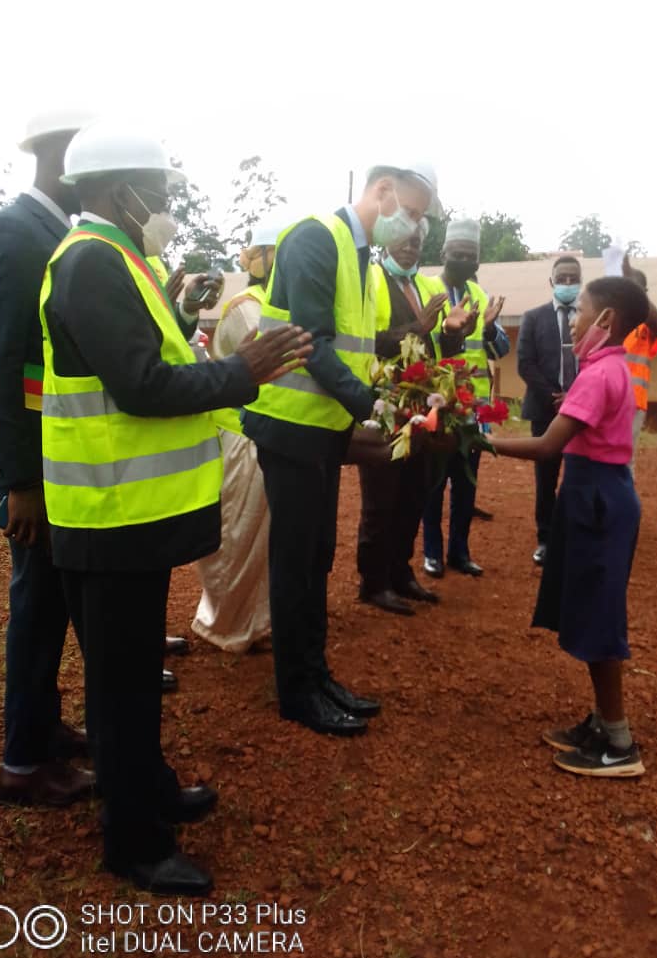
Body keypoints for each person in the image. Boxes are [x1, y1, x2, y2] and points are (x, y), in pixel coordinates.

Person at [39, 121, 311, 894]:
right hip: (109, 511)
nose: (165, 206)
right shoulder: (91, 261)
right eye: (156, 192)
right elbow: (142, 385)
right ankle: (133, 841)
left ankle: (148, 786)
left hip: (132, 508)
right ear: (113, 190)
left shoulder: (122, 259)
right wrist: (242, 372)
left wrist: (205, 345)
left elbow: (151, 360)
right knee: (121, 683)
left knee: (131, 673)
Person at [244, 164, 438, 736]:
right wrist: (373, 405)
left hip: (323, 430)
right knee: (297, 561)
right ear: (382, 191)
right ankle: (296, 690)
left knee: (317, 556)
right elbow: (311, 343)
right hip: (291, 428)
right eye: (412, 211)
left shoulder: (360, 257)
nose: (414, 226)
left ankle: (316, 674)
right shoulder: (315, 238)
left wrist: (382, 397)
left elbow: (354, 348)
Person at [0, 108, 97, 809]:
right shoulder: (15, 232)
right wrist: (19, 481)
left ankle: (43, 729)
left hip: (60, 460)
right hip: (37, 472)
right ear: (60, 158)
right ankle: (22, 763)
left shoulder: (56, 232)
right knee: (38, 607)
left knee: (50, 605)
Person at [489, 276, 649, 777]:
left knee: (600, 619)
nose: (573, 319)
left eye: (580, 310)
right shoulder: (605, 367)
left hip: (597, 499)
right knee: (590, 610)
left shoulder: (600, 375)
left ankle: (618, 743)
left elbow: (546, 447)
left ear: (606, 320)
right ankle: (602, 722)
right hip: (593, 494)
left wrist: (481, 443)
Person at [356, 226, 463, 615]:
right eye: (403, 238)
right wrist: (416, 327)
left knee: (414, 493)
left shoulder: (426, 286)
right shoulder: (369, 280)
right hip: (384, 405)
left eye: (417, 240)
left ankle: (400, 572)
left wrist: (453, 334)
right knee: (381, 496)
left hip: (421, 404)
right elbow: (365, 340)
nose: (410, 246)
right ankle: (374, 582)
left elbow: (433, 346)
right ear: (387, 239)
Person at [191, 217, 283, 651]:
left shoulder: (276, 302)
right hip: (241, 434)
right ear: (259, 258)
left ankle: (253, 622)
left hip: (264, 432)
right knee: (238, 532)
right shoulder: (248, 306)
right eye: (278, 255)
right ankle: (224, 624)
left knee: (260, 535)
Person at [421, 217, 508, 579]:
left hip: (473, 410)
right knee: (433, 483)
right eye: (457, 253)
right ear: (443, 252)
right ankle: (432, 553)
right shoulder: (426, 288)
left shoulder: (481, 295)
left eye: (470, 255)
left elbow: (501, 348)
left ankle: (460, 551)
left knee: (466, 484)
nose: (463, 260)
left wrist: (488, 330)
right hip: (437, 405)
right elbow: (421, 344)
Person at [517, 255, 582, 566]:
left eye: (573, 278)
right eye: (562, 278)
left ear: (581, 281)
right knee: (546, 479)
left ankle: (575, 536)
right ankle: (546, 539)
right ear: (551, 282)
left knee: (579, 477)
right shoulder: (533, 318)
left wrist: (576, 397)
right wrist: (555, 396)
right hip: (545, 410)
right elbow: (525, 363)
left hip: (583, 413)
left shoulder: (591, 318)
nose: (567, 283)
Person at [622, 260, 657, 471]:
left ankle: (624, 493)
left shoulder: (652, 323)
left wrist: (636, 292)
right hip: (606, 399)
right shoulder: (611, 318)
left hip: (633, 401)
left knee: (624, 458)